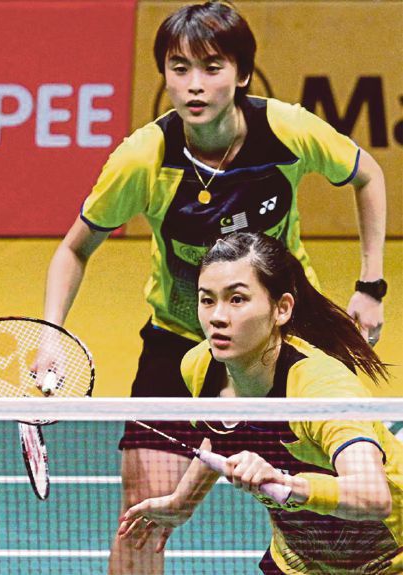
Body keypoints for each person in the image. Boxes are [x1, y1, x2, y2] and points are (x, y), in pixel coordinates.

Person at [37, 2, 388, 572]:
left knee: (330, 501)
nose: (194, 85)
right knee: (144, 510)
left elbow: (366, 173)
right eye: (179, 69)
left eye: (212, 67)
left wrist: (371, 284)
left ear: (242, 73)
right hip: (180, 340)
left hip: (281, 337)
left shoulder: (287, 131)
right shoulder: (142, 158)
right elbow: (74, 248)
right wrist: (51, 334)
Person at [117, 232, 402, 575]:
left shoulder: (321, 389)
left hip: (390, 559)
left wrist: (285, 483)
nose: (217, 317)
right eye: (207, 300)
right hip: (302, 561)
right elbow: (220, 432)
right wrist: (182, 503)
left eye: (237, 299)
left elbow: (373, 495)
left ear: (281, 308)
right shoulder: (200, 367)